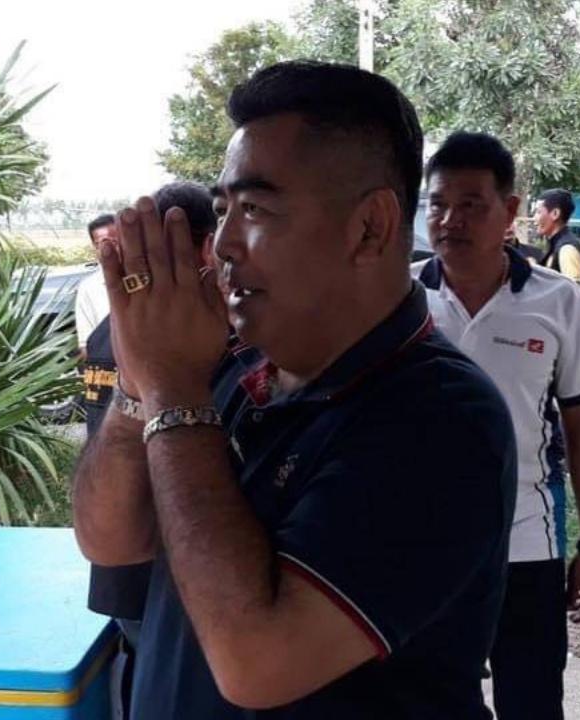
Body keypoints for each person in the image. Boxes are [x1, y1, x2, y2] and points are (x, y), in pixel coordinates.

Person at [72, 61, 516, 719]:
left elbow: (257, 662)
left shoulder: (443, 417)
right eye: (221, 211)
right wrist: (140, 386)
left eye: (254, 209)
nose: (223, 245)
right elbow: (109, 541)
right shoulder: (226, 365)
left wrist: (171, 390)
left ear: (370, 227)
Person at [415, 131, 580, 720]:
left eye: (470, 205)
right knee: (426, 702)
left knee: (531, 700)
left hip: (526, 540)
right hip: (417, 544)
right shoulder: (399, 298)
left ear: (510, 211)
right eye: (437, 204)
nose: (449, 220)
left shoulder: (556, 300)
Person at [81, 182, 217, 719]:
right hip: (161, 568)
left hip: (140, 569)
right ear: (203, 248)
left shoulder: (109, 330)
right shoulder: (205, 336)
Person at [534, 188, 580, 300]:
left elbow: (573, 294)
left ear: (555, 214)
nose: (535, 218)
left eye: (538, 212)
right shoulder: (555, 244)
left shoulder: (567, 249)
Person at [75, 214, 118, 356]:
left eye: (115, 242)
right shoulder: (88, 288)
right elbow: (85, 344)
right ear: (95, 247)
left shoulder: (145, 281)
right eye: (102, 244)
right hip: (108, 364)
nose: (109, 250)